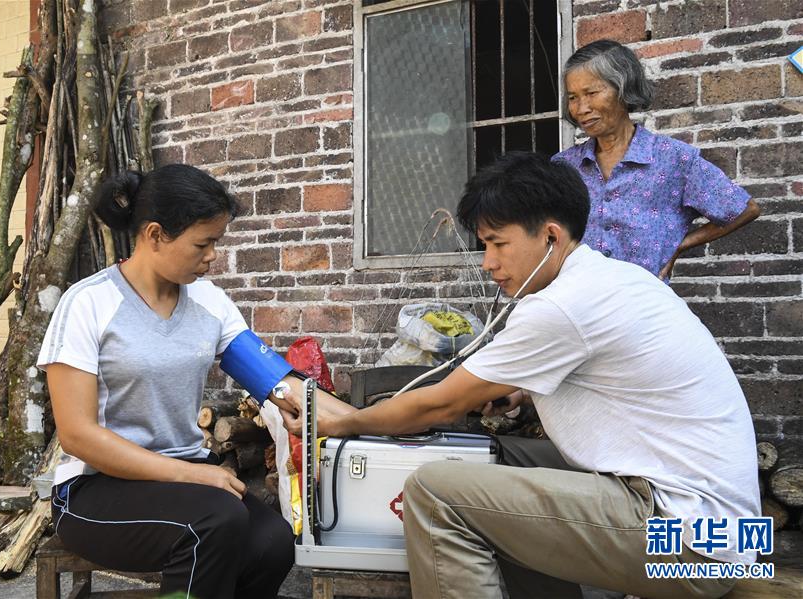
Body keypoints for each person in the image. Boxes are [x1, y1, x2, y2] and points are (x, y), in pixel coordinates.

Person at [282, 153, 760, 599]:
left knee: (436, 494)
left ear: (550, 235)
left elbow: (441, 403)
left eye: (498, 244)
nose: (488, 262)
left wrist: (347, 420)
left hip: (690, 543)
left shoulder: (560, 306)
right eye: (483, 245)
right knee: (498, 454)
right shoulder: (611, 278)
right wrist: (521, 393)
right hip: (711, 526)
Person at [38, 165, 300, 599]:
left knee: (274, 542)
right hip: (95, 489)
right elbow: (77, 435)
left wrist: (348, 417)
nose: (213, 255)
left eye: (216, 242)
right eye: (204, 242)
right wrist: (193, 476)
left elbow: (274, 379)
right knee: (215, 522)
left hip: (183, 479)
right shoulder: (88, 303)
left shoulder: (210, 302)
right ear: (156, 234)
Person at [553, 39, 760, 281]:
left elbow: (744, 209)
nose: (581, 108)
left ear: (623, 89)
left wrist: (678, 246)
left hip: (642, 306)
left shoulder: (672, 158)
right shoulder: (563, 167)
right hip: (577, 304)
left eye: (591, 93)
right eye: (573, 97)